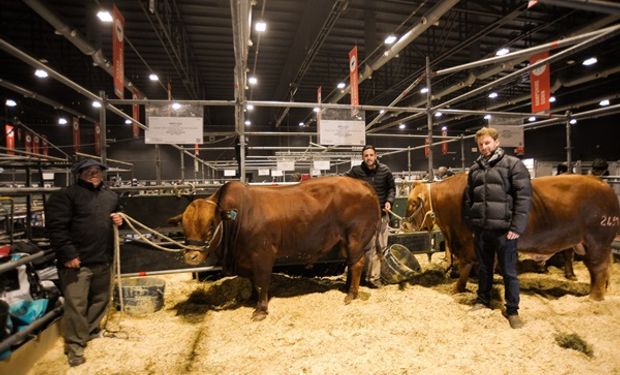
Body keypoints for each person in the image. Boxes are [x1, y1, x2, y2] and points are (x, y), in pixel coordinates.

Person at [45, 159, 123, 367]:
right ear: (78, 174)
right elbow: (56, 228)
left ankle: (90, 331)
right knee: (76, 304)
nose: (93, 173)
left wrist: (120, 220)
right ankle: (75, 345)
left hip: (103, 258)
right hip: (77, 262)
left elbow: (119, 221)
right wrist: (68, 254)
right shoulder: (65, 196)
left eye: (97, 170)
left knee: (101, 299)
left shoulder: (111, 196)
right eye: (87, 171)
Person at [464, 127, 532, 329]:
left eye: (487, 143)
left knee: (509, 271)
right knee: (484, 268)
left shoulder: (513, 165)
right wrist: (473, 223)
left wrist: (517, 227)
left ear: (496, 142)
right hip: (482, 230)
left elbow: (524, 198)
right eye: (480, 145)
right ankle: (483, 300)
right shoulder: (475, 168)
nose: (484, 147)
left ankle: (512, 310)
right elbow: (469, 199)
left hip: (504, 230)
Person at [345, 145, 396, 288]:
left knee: (382, 246)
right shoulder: (355, 171)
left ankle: (374, 278)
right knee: (367, 247)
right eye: (366, 155)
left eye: (371, 155)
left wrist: (389, 201)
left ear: (376, 155)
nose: (369, 158)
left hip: (382, 214)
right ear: (363, 157)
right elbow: (342, 182)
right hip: (362, 218)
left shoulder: (385, 171)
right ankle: (361, 277)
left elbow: (392, 188)